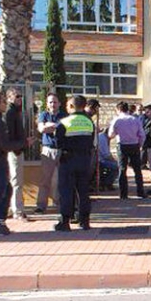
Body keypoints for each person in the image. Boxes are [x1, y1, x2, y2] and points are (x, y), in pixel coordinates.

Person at [0, 91, 33, 235]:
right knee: (0, 191)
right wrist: (24, 143)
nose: (5, 104)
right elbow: (5, 145)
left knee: (4, 189)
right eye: (3, 101)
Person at [54, 95, 96, 232]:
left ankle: (65, 221)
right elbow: (92, 142)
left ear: (72, 106)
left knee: (66, 191)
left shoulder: (64, 122)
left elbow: (58, 143)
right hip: (84, 160)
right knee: (83, 191)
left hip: (68, 160)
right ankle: (85, 221)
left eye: (67, 105)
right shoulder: (89, 122)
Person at [34, 93, 66, 214]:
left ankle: (61, 204)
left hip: (62, 150)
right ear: (47, 104)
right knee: (45, 179)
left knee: (61, 179)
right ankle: (41, 205)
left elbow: (65, 129)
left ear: (59, 103)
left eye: (55, 102)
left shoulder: (64, 116)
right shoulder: (44, 115)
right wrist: (55, 126)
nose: (53, 104)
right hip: (48, 150)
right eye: (50, 102)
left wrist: (50, 126)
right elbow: (41, 129)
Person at [108, 102, 147, 199]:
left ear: (118, 109)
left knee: (122, 169)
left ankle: (123, 194)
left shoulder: (117, 120)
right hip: (134, 145)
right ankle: (140, 191)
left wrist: (117, 133)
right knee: (137, 169)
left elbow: (110, 134)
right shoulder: (135, 120)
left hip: (122, 145)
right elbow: (142, 134)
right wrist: (140, 144)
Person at [4, 87, 29, 221]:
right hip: (14, 151)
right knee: (16, 181)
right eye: (16, 96)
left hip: (17, 149)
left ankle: (11, 208)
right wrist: (22, 144)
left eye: (20, 96)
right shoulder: (10, 112)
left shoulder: (15, 112)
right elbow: (10, 134)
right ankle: (17, 210)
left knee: (14, 181)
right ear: (9, 98)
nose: (19, 99)